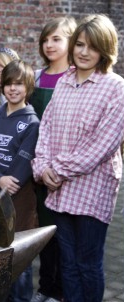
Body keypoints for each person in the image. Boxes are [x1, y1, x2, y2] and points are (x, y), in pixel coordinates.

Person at [31, 14, 124, 302]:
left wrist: (55, 170)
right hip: (58, 187)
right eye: (80, 44)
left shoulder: (116, 87)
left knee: (88, 264)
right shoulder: (64, 81)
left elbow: (102, 145)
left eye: (93, 46)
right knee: (67, 264)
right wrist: (41, 167)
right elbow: (45, 127)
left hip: (92, 189)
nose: (84, 52)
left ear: (105, 50)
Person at [0, 60, 39, 302]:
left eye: (19, 84)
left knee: (18, 255)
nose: (13, 89)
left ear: (28, 87)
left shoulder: (32, 123)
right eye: (8, 83)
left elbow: (21, 168)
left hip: (17, 198)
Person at [30, 16, 77, 302]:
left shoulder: (74, 78)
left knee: (66, 238)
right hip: (38, 167)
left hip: (67, 172)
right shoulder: (35, 77)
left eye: (56, 39)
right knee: (43, 232)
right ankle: (45, 287)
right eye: (46, 39)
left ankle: (61, 291)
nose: (49, 44)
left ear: (71, 41)